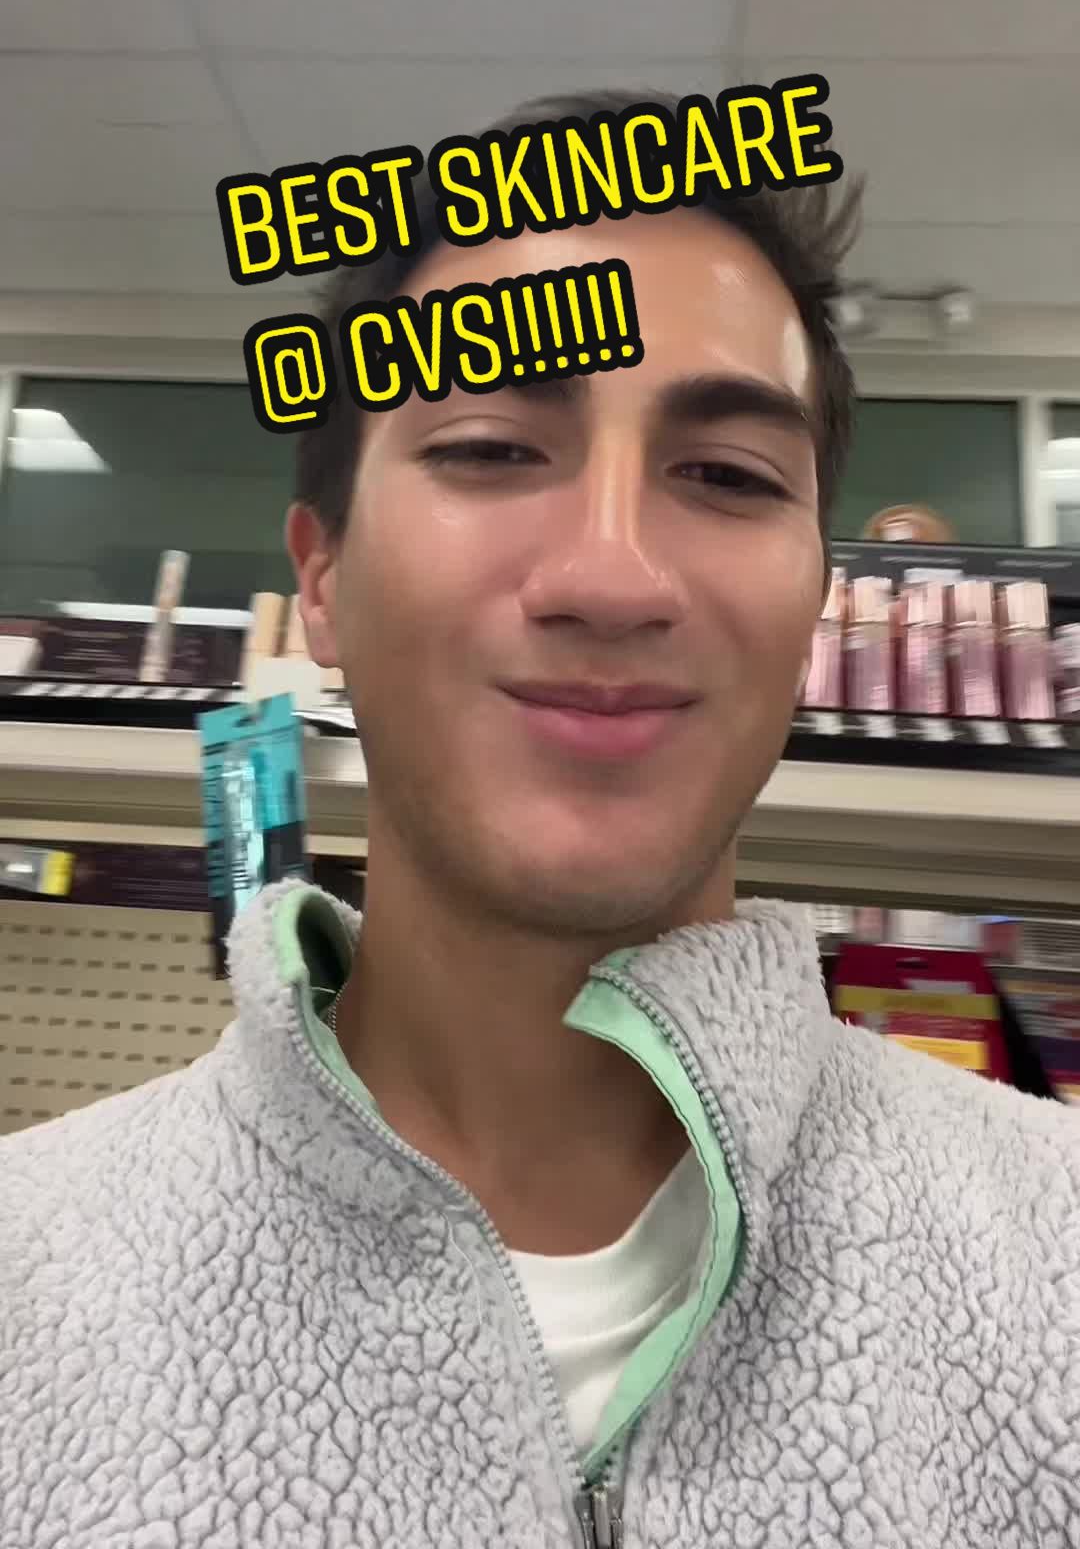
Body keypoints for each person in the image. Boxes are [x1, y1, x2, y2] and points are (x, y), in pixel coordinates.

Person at [2, 89, 1078, 1549]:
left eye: (727, 475)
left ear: (815, 609)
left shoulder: (1056, 1265)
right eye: (492, 448)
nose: (611, 576)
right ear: (323, 581)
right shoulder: (28, 1291)